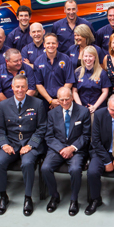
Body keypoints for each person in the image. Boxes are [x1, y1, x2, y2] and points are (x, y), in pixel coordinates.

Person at [0, 75, 48, 216]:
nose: (20, 89)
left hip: (29, 143)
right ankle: (3, 196)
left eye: (23, 86)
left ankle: (28, 197)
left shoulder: (37, 103)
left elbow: (42, 128)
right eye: (17, 86)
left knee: (28, 163)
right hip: (11, 143)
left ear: (27, 88)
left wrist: (30, 145)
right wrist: (4, 144)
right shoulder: (4, 105)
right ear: (12, 87)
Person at [42, 87, 90, 216]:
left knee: (75, 169)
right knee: (45, 168)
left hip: (76, 149)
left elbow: (86, 136)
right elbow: (49, 136)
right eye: (61, 100)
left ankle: (74, 200)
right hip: (58, 148)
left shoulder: (83, 112)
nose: (64, 102)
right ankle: (54, 196)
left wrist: (72, 148)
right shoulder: (52, 113)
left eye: (67, 99)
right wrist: (62, 149)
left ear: (72, 97)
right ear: (57, 99)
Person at [35, 33, 75, 110]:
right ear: (44, 45)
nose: (51, 45)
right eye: (48, 43)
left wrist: (60, 100)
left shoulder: (66, 59)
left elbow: (69, 81)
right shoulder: (38, 61)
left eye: (53, 43)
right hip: (46, 100)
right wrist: (51, 101)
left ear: (57, 44)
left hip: (64, 100)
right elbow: (38, 84)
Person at [73, 46, 111, 115]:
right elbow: (74, 91)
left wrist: (95, 107)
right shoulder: (77, 72)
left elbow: (105, 92)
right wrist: (81, 107)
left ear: (95, 57)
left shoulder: (102, 73)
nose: (88, 59)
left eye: (90, 56)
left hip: (98, 108)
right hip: (81, 107)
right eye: (86, 56)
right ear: (82, 57)